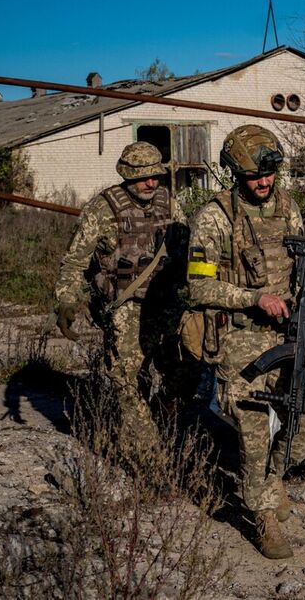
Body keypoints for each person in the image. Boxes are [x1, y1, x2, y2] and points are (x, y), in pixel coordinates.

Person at [186, 124, 305, 560]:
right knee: (253, 432)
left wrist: (304, 311)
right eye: (254, 177)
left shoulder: (288, 206)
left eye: (270, 175)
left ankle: (271, 479)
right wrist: (253, 298)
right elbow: (198, 287)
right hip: (242, 336)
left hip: (289, 333)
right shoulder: (214, 217)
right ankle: (260, 515)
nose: (264, 183)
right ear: (234, 175)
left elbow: (302, 271)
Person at [52, 141, 189, 464]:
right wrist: (66, 303)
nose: (150, 183)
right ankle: (148, 456)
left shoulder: (169, 204)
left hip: (167, 303)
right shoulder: (103, 209)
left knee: (183, 373)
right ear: (127, 176)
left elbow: (189, 253)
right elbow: (74, 262)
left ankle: (157, 418)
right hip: (125, 306)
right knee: (127, 380)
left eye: (155, 176)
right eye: (143, 177)